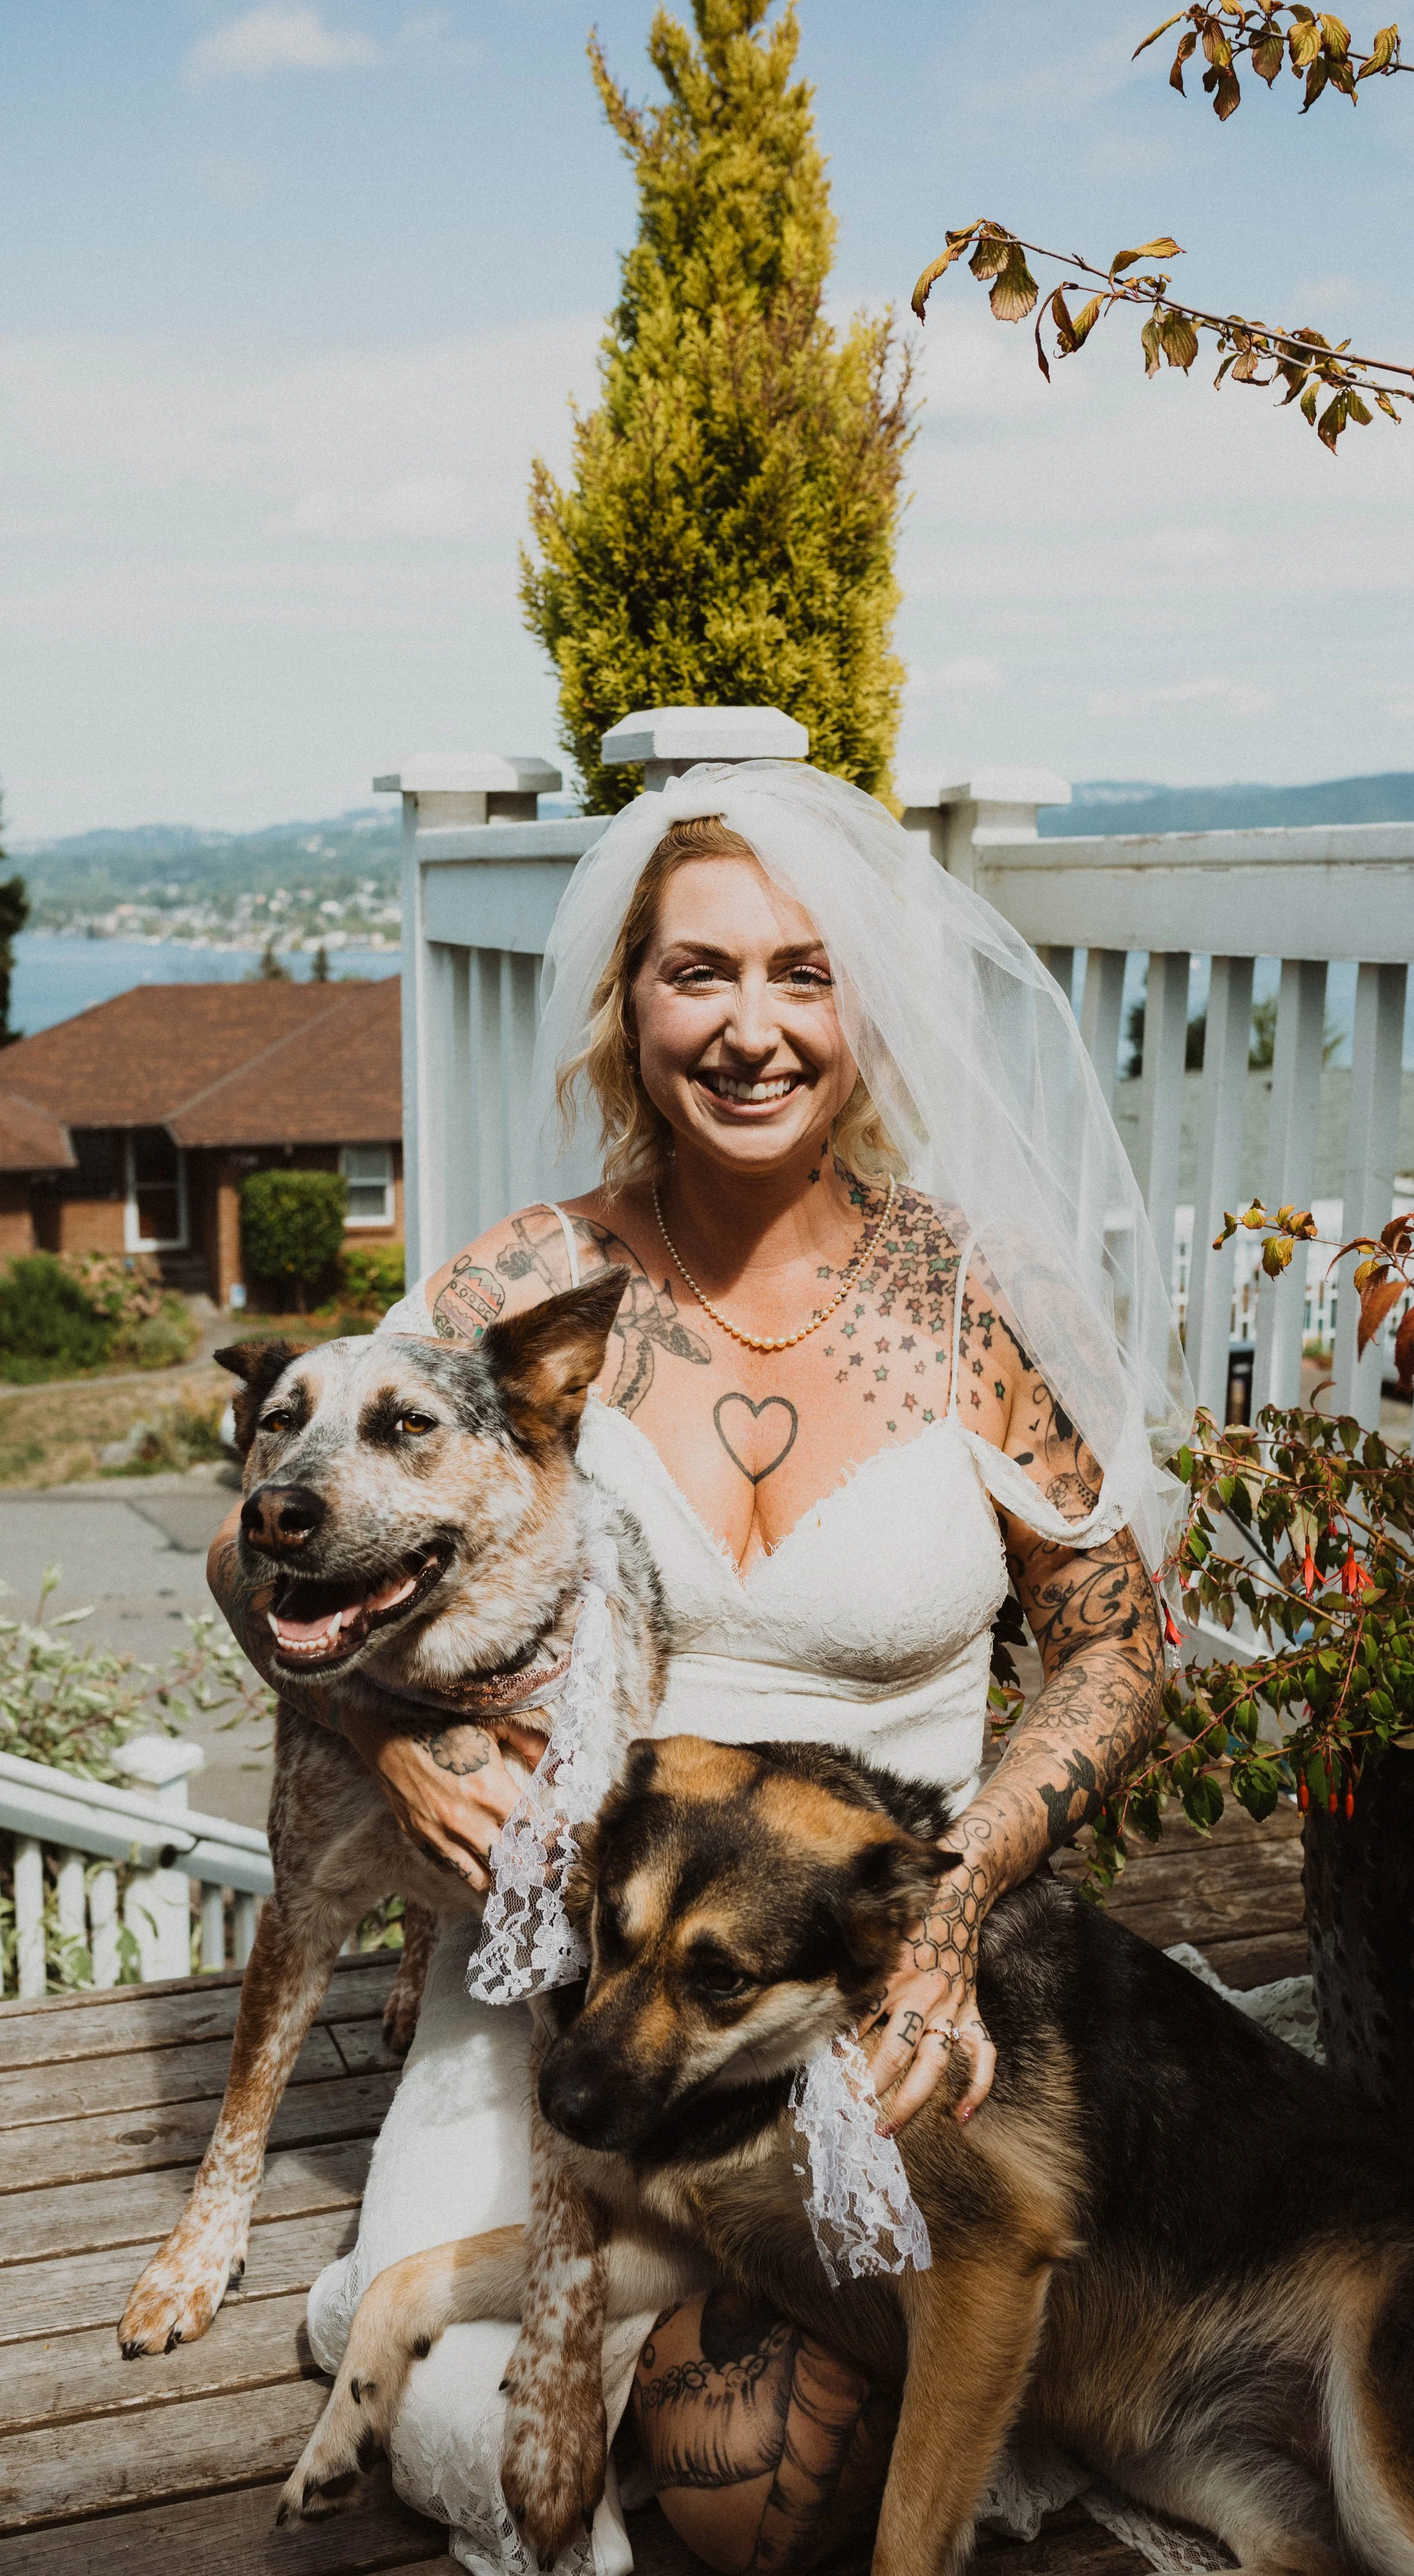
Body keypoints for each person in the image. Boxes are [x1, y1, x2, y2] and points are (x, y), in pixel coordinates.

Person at [211, 760, 1188, 2576]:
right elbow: (271, 1528)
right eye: (699, 973)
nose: (750, 1030)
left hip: (860, 1973)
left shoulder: (986, 1306)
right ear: (627, 1007)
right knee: (456, 2407)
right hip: (558, 1984)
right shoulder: (521, 1286)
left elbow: (1121, 1639)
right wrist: (377, 1728)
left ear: (868, 1014)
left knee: (745, 2492)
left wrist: (955, 1907)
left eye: (802, 975)